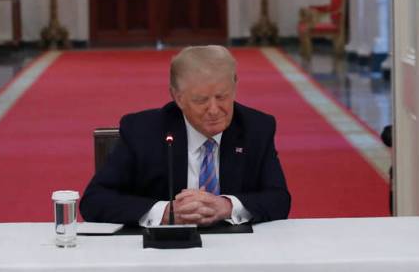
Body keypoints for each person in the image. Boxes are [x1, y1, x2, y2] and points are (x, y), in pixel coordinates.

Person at [80, 45, 291, 225]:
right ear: (177, 97)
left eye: (222, 97)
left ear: (235, 87)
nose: (214, 109)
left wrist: (227, 206)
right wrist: (166, 213)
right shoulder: (142, 131)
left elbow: (279, 199)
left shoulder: (256, 128)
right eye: (201, 100)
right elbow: (94, 201)